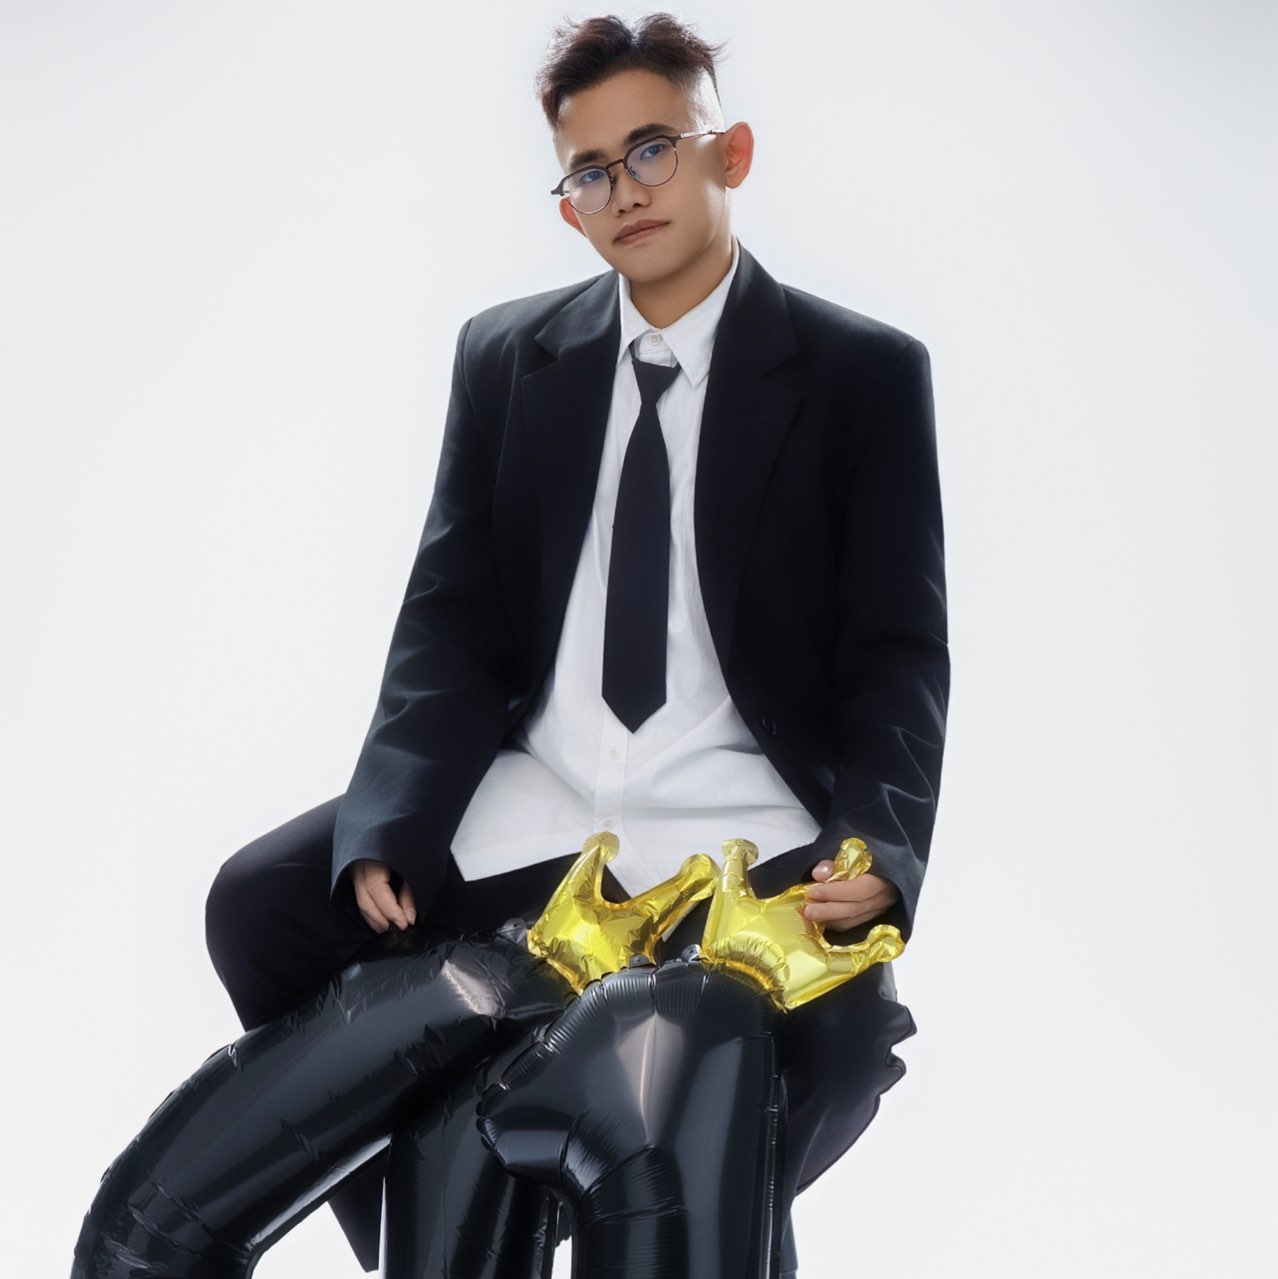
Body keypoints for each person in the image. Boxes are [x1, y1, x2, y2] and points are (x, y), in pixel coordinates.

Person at [204, 12, 948, 1273]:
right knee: (262, 903)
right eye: (590, 172)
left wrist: (879, 845)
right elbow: (451, 614)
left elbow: (898, 651)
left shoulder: (861, 371)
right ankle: (438, 1225)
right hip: (540, 801)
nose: (626, 191)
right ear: (569, 206)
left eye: (652, 149)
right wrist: (391, 816)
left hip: (739, 822)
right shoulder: (506, 357)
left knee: (813, 1053)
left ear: (730, 154)